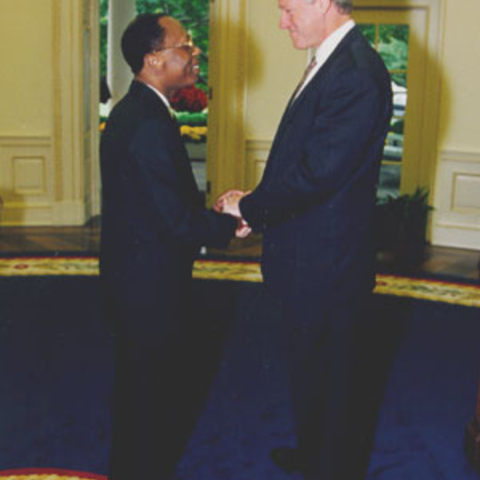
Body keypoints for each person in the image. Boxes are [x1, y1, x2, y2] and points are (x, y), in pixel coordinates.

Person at [217, 0, 392, 478]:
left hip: (327, 265)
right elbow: (305, 161)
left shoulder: (355, 71)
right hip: (310, 254)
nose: (281, 21)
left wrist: (249, 208)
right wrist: (259, 201)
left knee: (331, 381)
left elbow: (318, 173)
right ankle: (316, 453)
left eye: (288, 9)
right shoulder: (332, 60)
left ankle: (329, 465)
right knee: (312, 372)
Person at [99, 13, 246, 480]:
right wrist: (227, 223)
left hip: (140, 277)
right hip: (147, 286)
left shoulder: (141, 111)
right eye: (187, 45)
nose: (195, 52)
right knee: (148, 395)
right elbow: (178, 219)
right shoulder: (145, 124)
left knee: (144, 393)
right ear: (154, 59)